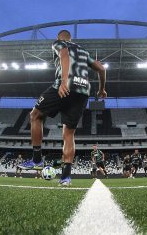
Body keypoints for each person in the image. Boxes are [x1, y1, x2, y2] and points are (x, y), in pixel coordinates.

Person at [19, 30, 107, 187]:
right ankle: (65, 178)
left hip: (67, 84)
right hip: (83, 91)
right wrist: (101, 89)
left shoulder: (59, 43)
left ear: (58, 38)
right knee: (69, 133)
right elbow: (101, 68)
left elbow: (64, 54)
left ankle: (37, 159)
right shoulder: (83, 51)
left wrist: (64, 81)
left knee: (35, 115)